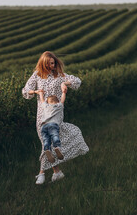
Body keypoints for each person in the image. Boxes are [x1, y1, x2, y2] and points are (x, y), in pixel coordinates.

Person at [22, 51, 89, 185]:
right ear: (43, 64)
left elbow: (77, 81)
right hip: (42, 115)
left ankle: (42, 174)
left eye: (53, 63)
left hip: (56, 115)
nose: (51, 66)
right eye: (48, 64)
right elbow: (25, 90)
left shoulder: (60, 75)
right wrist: (35, 92)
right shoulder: (37, 75)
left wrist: (66, 84)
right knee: (46, 143)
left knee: (49, 143)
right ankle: (56, 173)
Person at [34, 89, 66, 163]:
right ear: (57, 102)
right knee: (55, 136)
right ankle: (57, 147)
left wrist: (41, 93)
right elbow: (62, 100)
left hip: (44, 126)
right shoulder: (58, 106)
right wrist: (64, 92)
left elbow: (42, 100)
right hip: (53, 124)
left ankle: (47, 149)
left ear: (48, 102)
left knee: (46, 139)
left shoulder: (46, 106)